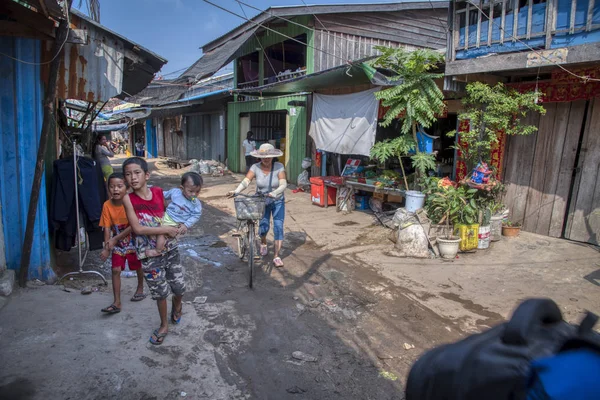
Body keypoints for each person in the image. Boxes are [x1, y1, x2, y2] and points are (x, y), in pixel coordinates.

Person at [122, 157, 184, 345]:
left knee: (179, 287)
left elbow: (171, 213)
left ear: (147, 175)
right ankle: (164, 324)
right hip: (147, 254)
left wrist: (181, 223)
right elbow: (138, 229)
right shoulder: (128, 199)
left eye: (137, 173)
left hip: (170, 248)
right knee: (160, 292)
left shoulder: (158, 193)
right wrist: (164, 230)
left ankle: (178, 305)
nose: (132, 178)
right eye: (128, 174)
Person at [228, 143, 288, 267]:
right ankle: (264, 242)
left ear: (273, 157)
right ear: (259, 157)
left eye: (269, 157)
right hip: (261, 200)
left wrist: (274, 193)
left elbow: (283, 184)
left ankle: (276, 256)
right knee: (263, 226)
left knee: (278, 226)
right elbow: (246, 181)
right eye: (264, 157)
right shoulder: (255, 167)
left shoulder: (279, 166)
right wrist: (236, 191)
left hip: (277, 200)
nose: (266, 159)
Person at [99, 173, 146, 314]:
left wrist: (115, 239)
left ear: (127, 188)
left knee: (138, 266)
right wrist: (107, 247)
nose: (115, 190)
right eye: (112, 187)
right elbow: (107, 228)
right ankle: (117, 302)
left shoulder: (132, 202)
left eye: (119, 186)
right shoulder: (107, 205)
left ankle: (140, 288)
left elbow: (133, 226)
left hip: (134, 240)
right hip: (118, 243)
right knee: (115, 270)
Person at [147, 172, 203, 257]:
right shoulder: (175, 192)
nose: (194, 194)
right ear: (182, 188)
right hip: (165, 216)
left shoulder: (196, 203)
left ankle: (158, 250)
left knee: (161, 233)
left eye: (197, 192)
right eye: (191, 191)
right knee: (149, 221)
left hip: (175, 223)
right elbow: (162, 195)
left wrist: (186, 225)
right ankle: (154, 241)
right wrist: (152, 192)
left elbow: (196, 215)